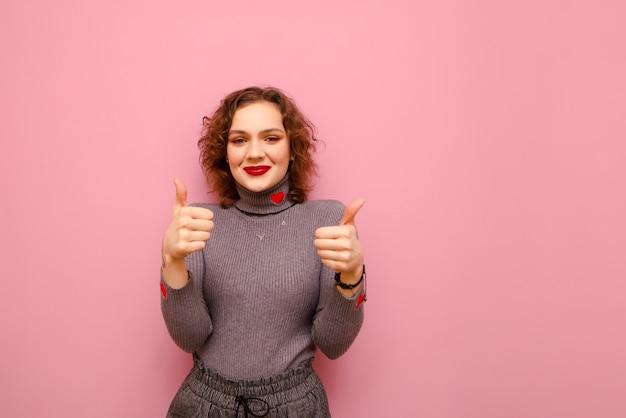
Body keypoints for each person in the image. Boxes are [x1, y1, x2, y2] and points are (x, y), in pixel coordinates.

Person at [160, 86, 366, 417]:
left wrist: (352, 277)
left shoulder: (330, 221)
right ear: (225, 153)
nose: (255, 153)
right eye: (239, 140)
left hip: (295, 406)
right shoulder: (196, 224)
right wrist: (172, 263)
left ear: (292, 148)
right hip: (204, 405)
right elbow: (189, 338)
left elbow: (334, 344)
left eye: (271, 138)